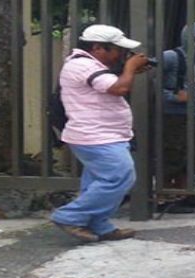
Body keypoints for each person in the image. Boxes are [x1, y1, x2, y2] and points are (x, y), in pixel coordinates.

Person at [51, 24, 151, 242]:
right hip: (96, 136)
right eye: (117, 50)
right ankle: (69, 216)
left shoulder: (87, 65)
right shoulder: (83, 65)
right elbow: (119, 88)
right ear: (98, 48)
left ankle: (99, 224)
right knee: (120, 176)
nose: (121, 55)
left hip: (101, 135)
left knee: (97, 182)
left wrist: (127, 70)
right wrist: (130, 69)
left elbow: (107, 84)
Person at [159, 21, 195, 213]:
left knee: (194, 156)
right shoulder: (172, 57)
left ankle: (184, 193)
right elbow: (150, 83)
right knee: (172, 156)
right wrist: (174, 97)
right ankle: (164, 197)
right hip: (176, 115)